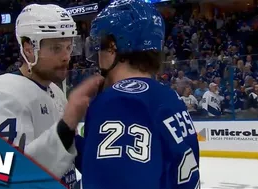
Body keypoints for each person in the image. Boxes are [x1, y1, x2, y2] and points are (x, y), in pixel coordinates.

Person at [0, 4, 103, 189]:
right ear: (29, 49)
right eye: (56, 48)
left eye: (68, 47)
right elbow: (15, 175)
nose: (67, 56)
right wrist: (67, 124)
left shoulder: (56, 91)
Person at [78, 0, 200, 188]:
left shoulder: (120, 102)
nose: (96, 55)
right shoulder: (168, 96)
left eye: (99, 45)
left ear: (112, 46)